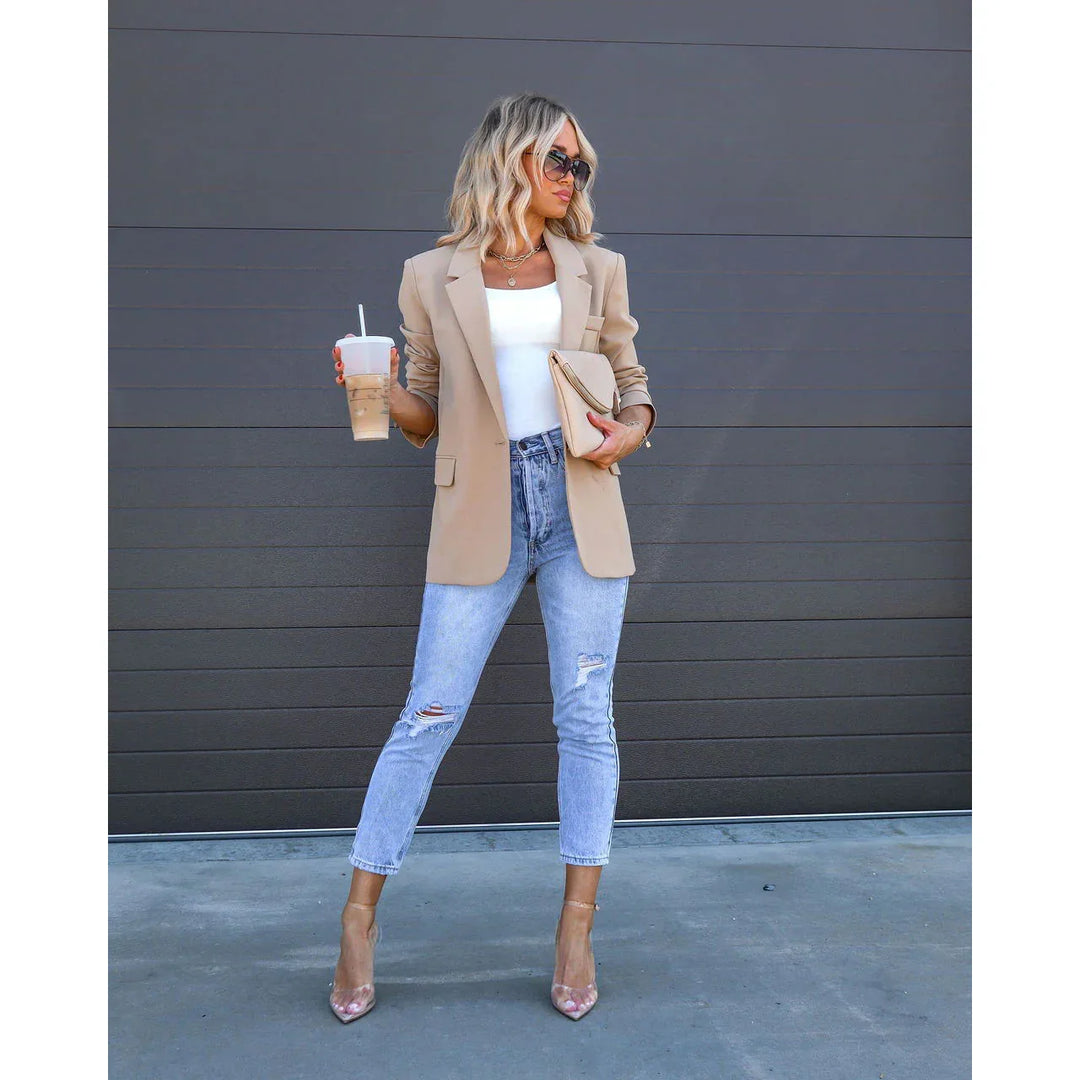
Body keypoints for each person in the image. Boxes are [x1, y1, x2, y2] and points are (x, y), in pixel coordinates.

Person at [328, 92, 657, 1023]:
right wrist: (383, 389)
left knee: (586, 719)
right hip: (482, 506)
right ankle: (357, 920)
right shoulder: (432, 276)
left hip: (581, 504)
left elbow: (633, 387)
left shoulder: (598, 268)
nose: (572, 178)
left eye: (582, 166)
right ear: (509, 159)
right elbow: (426, 416)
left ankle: (576, 925)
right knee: (427, 713)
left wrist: (623, 435)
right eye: (559, 160)